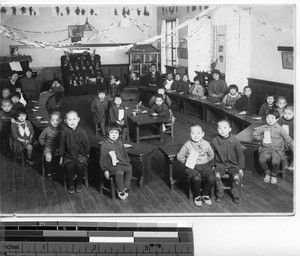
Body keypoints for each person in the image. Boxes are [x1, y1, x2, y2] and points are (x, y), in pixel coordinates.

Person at [177, 124, 215, 206]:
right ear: (190, 134)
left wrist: (204, 160)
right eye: (193, 133)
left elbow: (211, 155)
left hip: (205, 166)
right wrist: (188, 162)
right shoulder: (187, 145)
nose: (196, 135)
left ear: (203, 134)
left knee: (212, 178)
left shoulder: (206, 144)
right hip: (192, 167)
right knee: (196, 178)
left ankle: (205, 194)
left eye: (198, 133)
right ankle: (197, 196)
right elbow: (179, 156)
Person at [252, 109, 293, 184]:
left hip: (277, 150)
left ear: (277, 119)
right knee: (261, 160)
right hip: (265, 149)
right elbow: (254, 134)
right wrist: (262, 138)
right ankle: (267, 173)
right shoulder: (263, 127)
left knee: (275, 162)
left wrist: (290, 146)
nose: (270, 120)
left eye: (272, 118)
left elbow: (288, 139)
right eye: (268, 118)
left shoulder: (280, 129)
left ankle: (274, 175)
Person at [211, 119, 245, 203]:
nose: (222, 130)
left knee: (236, 177)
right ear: (217, 129)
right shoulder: (214, 141)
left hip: (233, 165)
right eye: (219, 128)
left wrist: (240, 168)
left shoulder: (235, 141)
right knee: (217, 176)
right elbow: (211, 155)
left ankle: (235, 193)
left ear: (230, 129)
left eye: (225, 128)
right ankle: (220, 193)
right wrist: (212, 165)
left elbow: (240, 155)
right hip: (220, 164)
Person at [59, 111, 90, 194]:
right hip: (68, 155)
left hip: (81, 155)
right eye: (69, 120)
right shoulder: (64, 132)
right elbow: (61, 145)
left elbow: (86, 144)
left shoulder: (82, 131)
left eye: (74, 119)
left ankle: (79, 182)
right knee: (69, 166)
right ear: (65, 121)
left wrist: (86, 154)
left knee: (80, 165)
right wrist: (61, 157)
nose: (72, 122)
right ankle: (71, 184)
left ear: (78, 120)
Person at [99, 123, 133, 200]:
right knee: (119, 172)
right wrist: (105, 170)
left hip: (120, 163)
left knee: (129, 168)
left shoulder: (119, 142)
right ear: (108, 134)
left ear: (119, 134)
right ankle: (120, 189)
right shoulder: (104, 145)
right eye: (111, 132)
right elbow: (103, 159)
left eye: (116, 133)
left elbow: (124, 154)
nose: (114, 135)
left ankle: (126, 186)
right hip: (111, 165)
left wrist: (127, 162)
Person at [38, 111, 62, 180]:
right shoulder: (47, 130)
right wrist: (44, 145)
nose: (55, 122)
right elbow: (41, 138)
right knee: (48, 156)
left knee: (58, 154)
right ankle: (48, 172)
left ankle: (56, 170)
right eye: (52, 120)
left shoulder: (62, 129)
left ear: (60, 120)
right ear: (50, 121)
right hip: (48, 148)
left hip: (58, 148)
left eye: (57, 120)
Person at [278, 105, 294, 170]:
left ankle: (293, 163)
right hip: (282, 140)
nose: (287, 115)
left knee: (295, 150)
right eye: (285, 113)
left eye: (289, 114)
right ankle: (285, 162)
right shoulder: (281, 120)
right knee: (279, 149)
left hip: (292, 140)